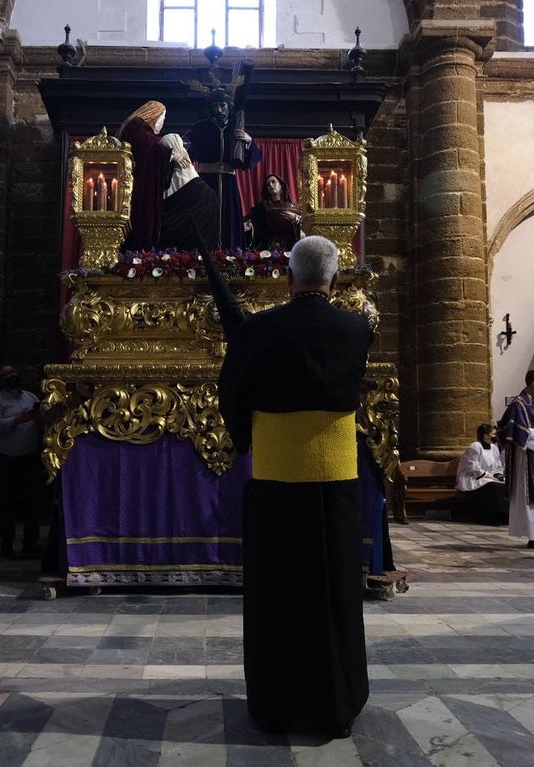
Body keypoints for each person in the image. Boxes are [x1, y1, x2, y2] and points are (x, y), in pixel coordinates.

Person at [218, 235, 371, 739]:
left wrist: (245, 437)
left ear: (288, 277)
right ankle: (338, 705)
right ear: (335, 279)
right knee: (336, 593)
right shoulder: (357, 330)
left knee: (278, 595)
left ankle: (276, 706)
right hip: (338, 481)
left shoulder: (258, 330)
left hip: (277, 480)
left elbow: (231, 392)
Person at [117, 101, 220, 252]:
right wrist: (172, 154)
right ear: (154, 115)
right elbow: (147, 145)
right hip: (140, 187)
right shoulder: (137, 125)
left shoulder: (142, 130)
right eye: (163, 118)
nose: (163, 123)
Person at [183, 87, 262, 251]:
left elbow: (251, 159)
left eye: (222, 105)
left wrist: (248, 141)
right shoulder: (201, 127)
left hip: (228, 183)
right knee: (205, 216)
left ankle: (230, 255)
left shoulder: (235, 127)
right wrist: (183, 145)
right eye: (215, 106)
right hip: (206, 182)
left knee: (229, 218)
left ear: (229, 106)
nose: (219, 110)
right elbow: (186, 142)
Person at [0, 365, 46, 558]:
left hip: (29, 458)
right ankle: (7, 545)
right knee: (6, 503)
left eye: (13, 372)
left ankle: (30, 542)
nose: (11, 376)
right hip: (5, 459)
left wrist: (39, 419)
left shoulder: (30, 397)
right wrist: (18, 419)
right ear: (0, 380)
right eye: (6, 374)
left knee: (32, 502)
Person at [498, 369, 534, 549]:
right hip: (526, 456)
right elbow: (517, 434)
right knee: (531, 496)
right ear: (533, 384)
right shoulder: (518, 405)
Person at [455, 423, 507, 525]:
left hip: (490, 477)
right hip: (472, 478)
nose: (495, 437)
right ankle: (488, 517)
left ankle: (502, 516)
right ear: (486, 435)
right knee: (493, 487)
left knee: (505, 485)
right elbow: (472, 467)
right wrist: (490, 477)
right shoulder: (474, 447)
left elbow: (498, 465)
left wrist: (498, 475)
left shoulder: (494, 447)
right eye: (493, 434)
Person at [244, 174, 302, 250]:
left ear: (281, 185)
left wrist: (295, 218)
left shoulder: (293, 207)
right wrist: (249, 226)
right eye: (268, 184)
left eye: (273, 182)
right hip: (267, 247)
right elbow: (249, 220)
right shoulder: (261, 207)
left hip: (289, 246)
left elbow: (305, 224)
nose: (271, 185)